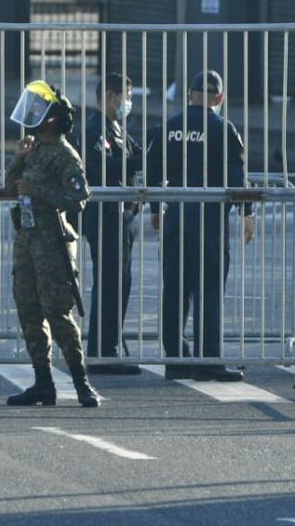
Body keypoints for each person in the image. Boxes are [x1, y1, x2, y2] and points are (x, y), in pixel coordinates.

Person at [147, 71, 255, 382]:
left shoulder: (170, 127)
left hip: (175, 215)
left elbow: (154, 168)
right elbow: (237, 175)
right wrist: (247, 213)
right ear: (219, 99)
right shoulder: (223, 129)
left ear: (190, 95)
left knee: (175, 288)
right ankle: (208, 360)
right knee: (209, 289)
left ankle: (176, 359)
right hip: (208, 218)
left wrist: (156, 209)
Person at [4, 80, 100, 408]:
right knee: (29, 310)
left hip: (52, 243)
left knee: (57, 312)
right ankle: (42, 382)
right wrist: (19, 159)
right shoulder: (35, 151)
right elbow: (9, 188)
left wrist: (39, 192)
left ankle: (81, 382)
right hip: (27, 242)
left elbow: (79, 198)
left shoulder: (64, 154)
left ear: (51, 118)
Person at [81, 72, 141, 373]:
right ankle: (103, 351)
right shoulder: (95, 129)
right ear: (109, 95)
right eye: (125, 96)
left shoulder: (117, 129)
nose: (128, 102)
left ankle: (110, 345)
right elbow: (103, 168)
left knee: (121, 282)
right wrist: (140, 162)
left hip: (122, 217)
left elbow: (134, 154)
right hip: (105, 217)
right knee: (110, 283)